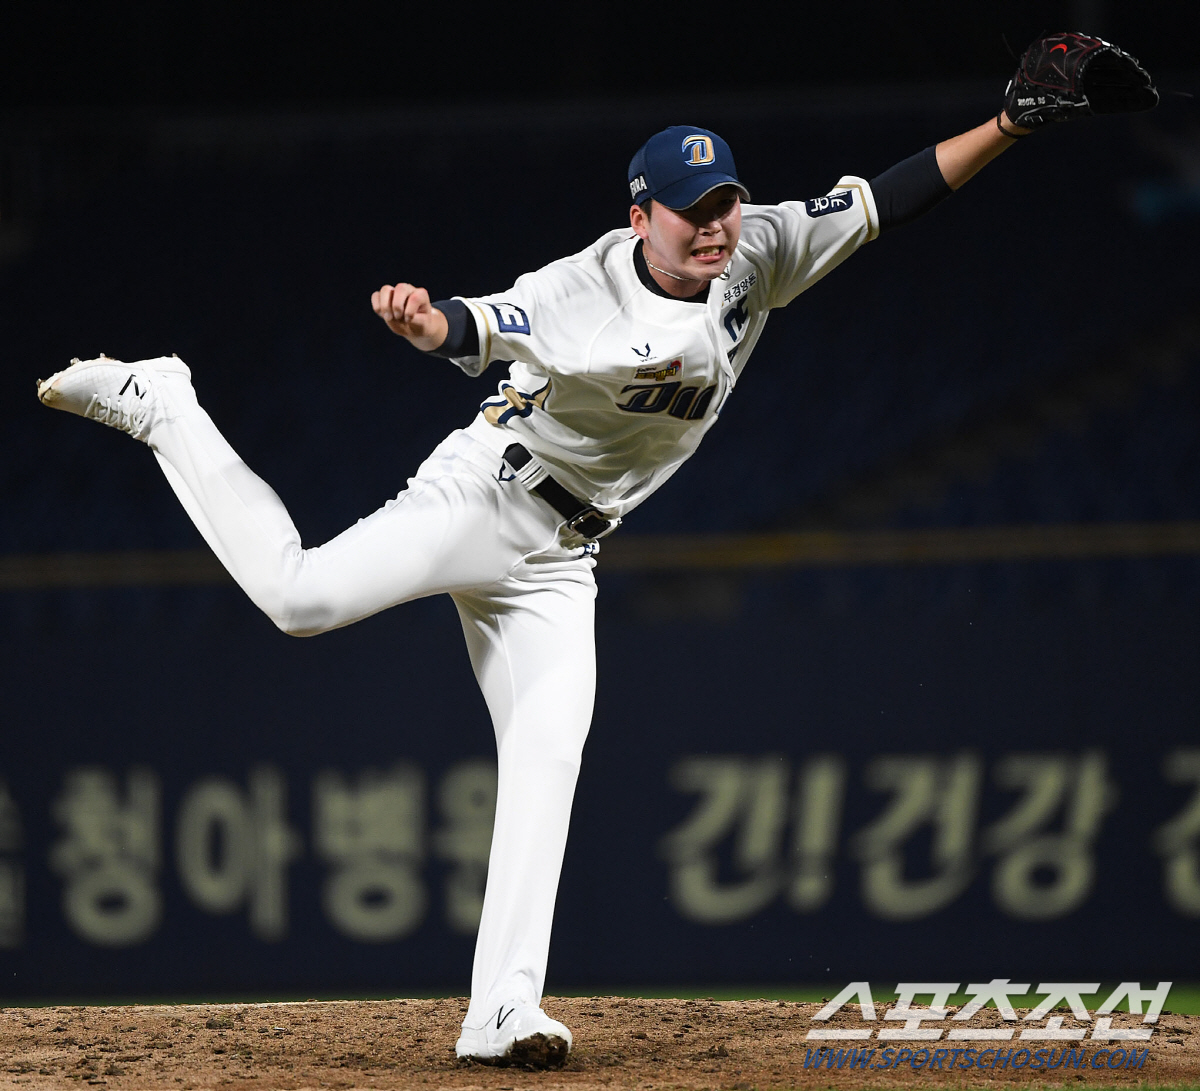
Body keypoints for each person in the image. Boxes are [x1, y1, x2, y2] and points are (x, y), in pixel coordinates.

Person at [36, 34, 1155, 1067]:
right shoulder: (583, 292)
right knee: (299, 599)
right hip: (487, 494)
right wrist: (426, 324)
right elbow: (477, 324)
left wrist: (1009, 123)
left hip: (564, 558)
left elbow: (889, 198)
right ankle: (166, 403)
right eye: (691, 210)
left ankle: (501, 1011)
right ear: (639, 215)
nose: (714, 225)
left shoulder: (758, 248)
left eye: (724, 201)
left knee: (547, 751)